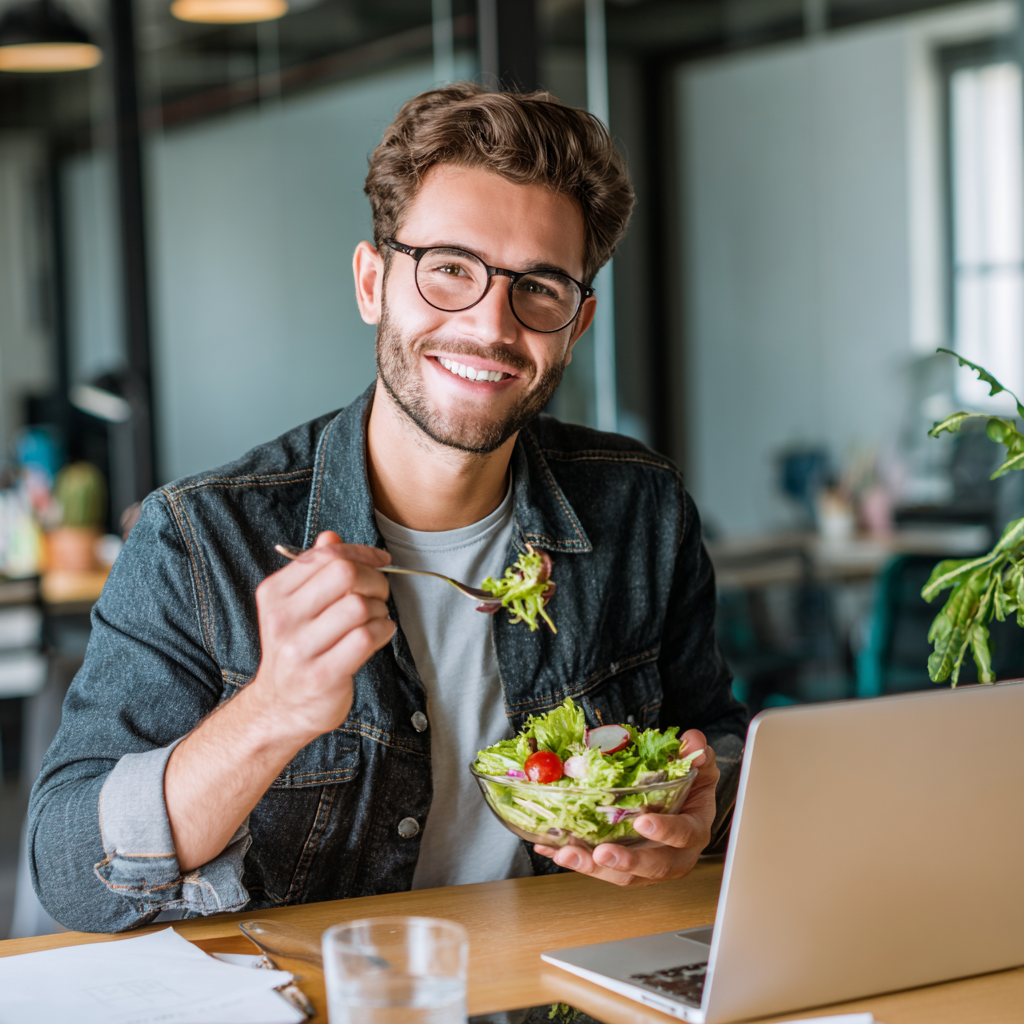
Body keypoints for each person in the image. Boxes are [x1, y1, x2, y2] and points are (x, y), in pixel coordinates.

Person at [28, 84, 747, 933]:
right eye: (449, 270)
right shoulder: (199, 538)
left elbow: (714, 743)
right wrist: (271, 711)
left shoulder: (641, 508)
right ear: (374, 283)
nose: (489, 325)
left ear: (576, 325)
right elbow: (69, 869)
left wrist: (706, 813)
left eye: (540, 289)